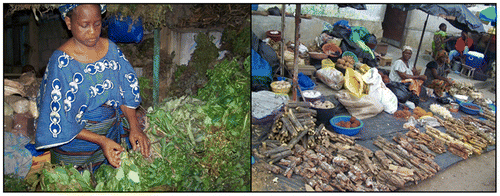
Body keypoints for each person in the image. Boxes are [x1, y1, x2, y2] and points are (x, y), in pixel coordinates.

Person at [35, 4, 150, 171]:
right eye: (84, 25)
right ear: (69, 23)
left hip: (112, 136)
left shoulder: (111, 50)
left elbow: (124, 92)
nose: (92, 32)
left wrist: (134, 126)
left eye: (97, 24)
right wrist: (101, 140)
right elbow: (60, 120)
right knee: (77, 185)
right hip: (77, 147)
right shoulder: (61, 63)